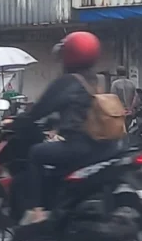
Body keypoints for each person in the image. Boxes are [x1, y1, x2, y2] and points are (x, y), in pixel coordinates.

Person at [13, 31, 115, 225]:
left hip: (79, 145)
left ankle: (37, 211)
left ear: (70, 55)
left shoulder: (68, 82)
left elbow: (41, 109)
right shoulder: (95, 79)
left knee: (36, 153)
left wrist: (20, 121)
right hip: (102, 145)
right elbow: (78, 109)